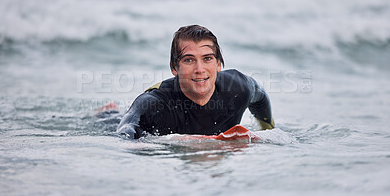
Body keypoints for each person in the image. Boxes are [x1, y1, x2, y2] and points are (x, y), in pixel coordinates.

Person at [117, 25, 274, 139]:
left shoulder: (238, 88)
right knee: (112, 117)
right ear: (174, 67)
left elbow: (260, 96)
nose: (199, 69)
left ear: (218, 64)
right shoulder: (155, 104)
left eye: (207, 59)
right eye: (189, 60)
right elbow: (126, 131)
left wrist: (268, 130)